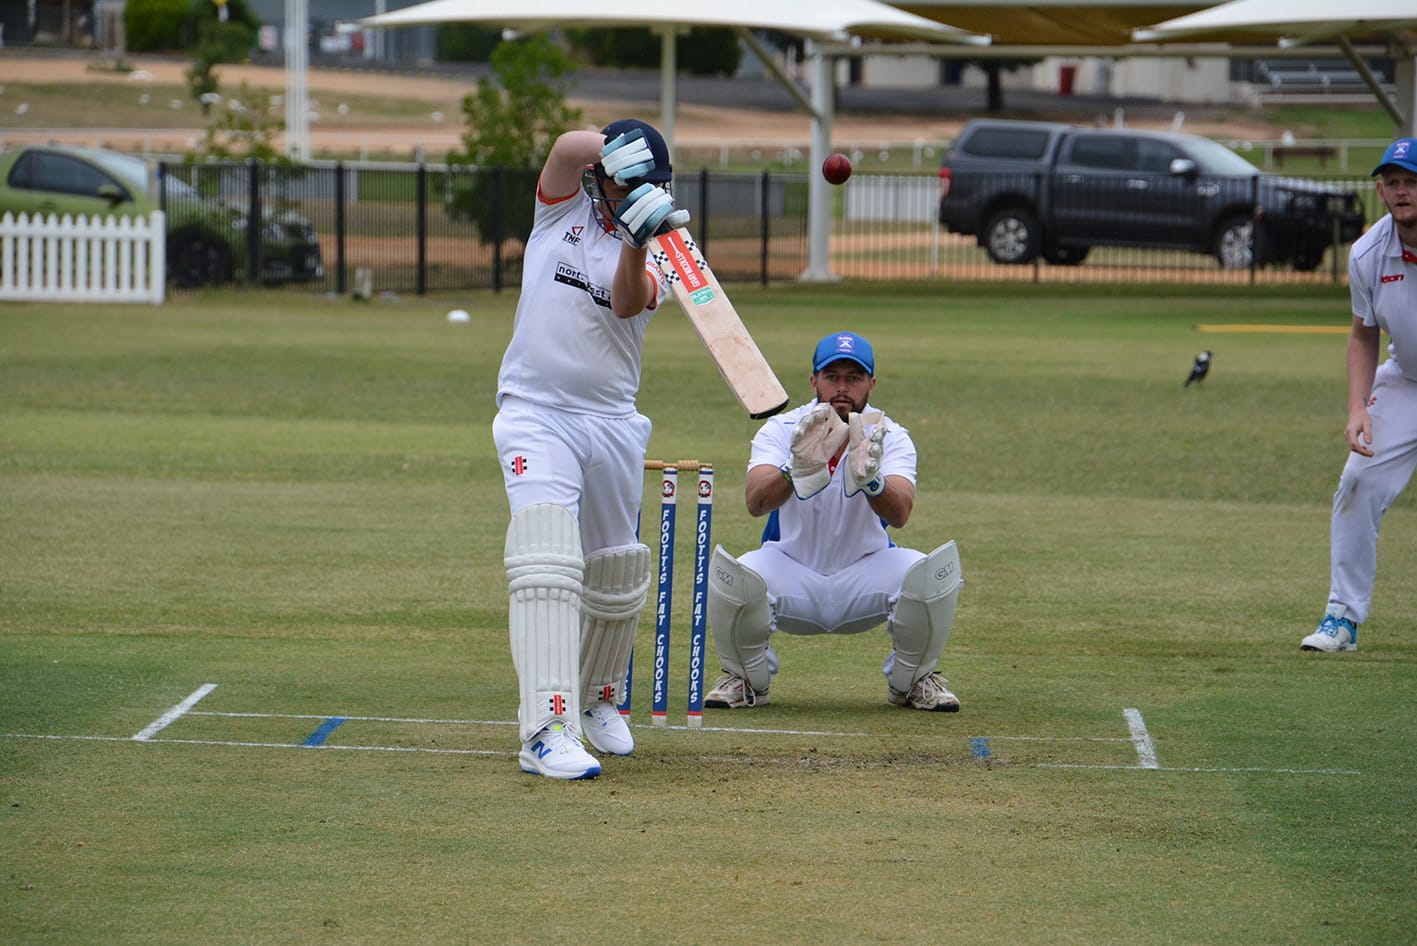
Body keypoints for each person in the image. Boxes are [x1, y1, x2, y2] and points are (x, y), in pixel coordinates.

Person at [493, 118, 687, 778]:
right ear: (602, 180)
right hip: (535, 413)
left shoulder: (661, 243)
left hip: (611, 420)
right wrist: (611, 147)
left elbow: (630, 303)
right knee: (546, 560)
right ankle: (546, 729)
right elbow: (562, 150)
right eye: (627, 183)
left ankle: (598, 700)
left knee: (614, 569)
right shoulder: (560, 210)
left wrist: (637, 240)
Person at [704, 331, 964, 712]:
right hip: (791, 570)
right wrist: (796, 470)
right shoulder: (782, 430)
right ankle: (746, 680)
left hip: (865, 573)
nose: (842, 388)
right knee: (736, 575)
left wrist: (871, 481)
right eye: (832, 377)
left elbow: (901, 513)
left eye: (854, 378)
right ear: (814, 381)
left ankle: (911, 682)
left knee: (930, 573)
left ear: (871, 384)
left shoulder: (890, 436)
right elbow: (755, 502)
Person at [1301, 138, 1417, 653]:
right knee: (1357, 481)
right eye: (1393, 182)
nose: (1401, 191)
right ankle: (1341, 619)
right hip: (1406, 381)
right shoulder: (1368, 251)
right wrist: (1357, 409)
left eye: (1411, 181)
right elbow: (1363, 332)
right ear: (1379, 190)